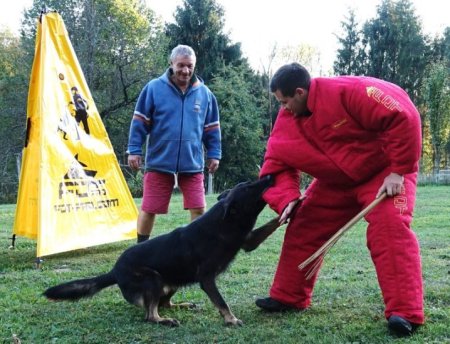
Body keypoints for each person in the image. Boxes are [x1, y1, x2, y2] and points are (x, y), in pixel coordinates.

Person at [257, 63, 423, 337]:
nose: (283, 109)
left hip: (384, 173)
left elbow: (404, 115)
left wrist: (398, 171)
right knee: (305, 223)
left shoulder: (351, 91)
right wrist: (286, 199)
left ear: (299, 92)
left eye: (285, 102)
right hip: (336, 182)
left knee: (390, 227)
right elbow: (275, 165)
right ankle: (288, 296)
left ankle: (405, 313)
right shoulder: (287, 122)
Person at [127, 44, 221, 244]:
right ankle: (141, 248)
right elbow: (139, 122)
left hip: (192, 162)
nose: (185, 71)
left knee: (199, 208)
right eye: (181, 65)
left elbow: (211, 128)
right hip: (159, 161)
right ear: (171, 64)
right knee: (149, 208)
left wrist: (214, 153)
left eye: (189, 66)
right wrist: (134, 150)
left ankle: (196, 250)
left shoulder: (205, 94)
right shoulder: (153, 88)